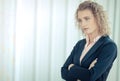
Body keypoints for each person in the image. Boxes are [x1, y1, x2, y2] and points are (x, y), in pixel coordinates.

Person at [61, 1, 117, 81]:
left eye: (87, 19)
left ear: (98, 19)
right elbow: (63, 72)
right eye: (80, 20)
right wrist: (84, 72)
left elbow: (91, 76)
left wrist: (72, 67)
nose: (83, 24)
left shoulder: (109, 46)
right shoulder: (80, 44)